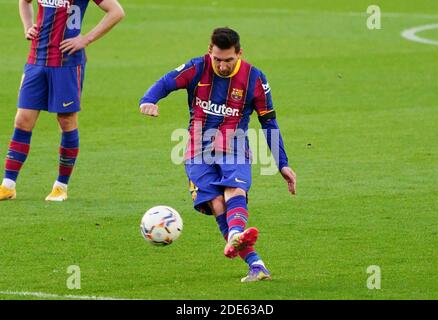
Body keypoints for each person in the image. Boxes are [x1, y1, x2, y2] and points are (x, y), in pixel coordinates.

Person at [139, 27, 297, 282]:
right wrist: (148, 100)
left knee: (235, 190)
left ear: (240, 54)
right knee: (217, 204)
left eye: (228, 60)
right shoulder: (197, 67)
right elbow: (166, 82)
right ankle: (256, 264)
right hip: (196, 149)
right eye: (217, 59)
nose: (222, 66)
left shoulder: (255, 79)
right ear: (209, 52)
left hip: (234, 145)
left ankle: (235, 234)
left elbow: (269, 123)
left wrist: (283, 164)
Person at [0, 0, 125, 202]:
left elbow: (116, 12)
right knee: (22, 120)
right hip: (36, 59)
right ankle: (8, 185)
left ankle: (61, 186)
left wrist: (85, 39)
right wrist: (27, 26)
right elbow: (24, 2)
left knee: (66, 121)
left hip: (67, 63)